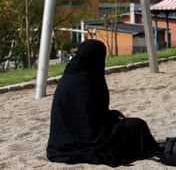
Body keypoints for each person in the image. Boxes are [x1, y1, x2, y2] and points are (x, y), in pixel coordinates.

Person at [47, 39, 160, 167]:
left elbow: (88, 113)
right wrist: (113, 119)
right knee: (137, 125)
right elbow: (91, 119)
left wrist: (112, 116)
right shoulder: (86, 81)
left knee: (125, 122)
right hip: (87, 137)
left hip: (65, 137)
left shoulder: (71, 75)